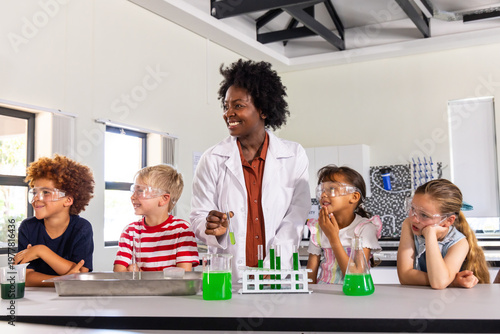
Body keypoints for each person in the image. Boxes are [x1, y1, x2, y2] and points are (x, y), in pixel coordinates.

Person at [190, 59, 311, 279]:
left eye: (238, 106)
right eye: (226, 107)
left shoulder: (293, 155)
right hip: (228, 275)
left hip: (278, 273)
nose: (229, 113)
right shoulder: (212, 159)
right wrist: (211, 227)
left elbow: (296, 216)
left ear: (263, 109)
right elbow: (198, 215)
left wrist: (275, 264)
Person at [14, 155, 95, 287]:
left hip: (73, 301)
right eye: (35, 192)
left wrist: (41, 251)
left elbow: (80, 274)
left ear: (68, 200)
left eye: (46, 192)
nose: (36, 198)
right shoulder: (27, 228)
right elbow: (26, 277)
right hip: (38, 300)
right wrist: (63, 280)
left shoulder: (82, 228)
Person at [397, 179, 490, 289]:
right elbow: (404, 276)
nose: (413, 218)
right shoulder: (408, 225)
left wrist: (430, 234)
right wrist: (452, 281)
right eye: (412, 208)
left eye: (424, 215)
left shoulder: (459, 243)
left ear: (448, 221)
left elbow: (438, 283)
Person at [114, 164, 199, 272]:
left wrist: (140, 275)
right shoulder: (130, 232)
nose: (132, 196)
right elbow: (119, 274)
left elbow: (183, 276)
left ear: (164, 199)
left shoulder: (182, 230)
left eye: (140, 191)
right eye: (133, 190)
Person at [306, 165, 381, 284]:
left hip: (354, 296)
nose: (323, 195)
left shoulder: (364, 228)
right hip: (323, 296)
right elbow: (310, 277)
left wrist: (333, 237)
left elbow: (357, 277)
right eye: (322, 190)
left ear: (354, 197)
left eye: (331, 189)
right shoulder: (318, 228)